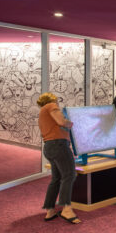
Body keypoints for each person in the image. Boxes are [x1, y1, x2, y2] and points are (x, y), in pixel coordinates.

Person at [37, 92, 80, 224]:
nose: (58, 105)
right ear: (53, 100)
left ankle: (49, 209)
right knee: (69, 175)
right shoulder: (51, 106)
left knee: (56, 178)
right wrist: (70, 123)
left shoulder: (42, 113)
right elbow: (61, 122)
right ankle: (66, 209)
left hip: (49, 147)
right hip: (59, 146)